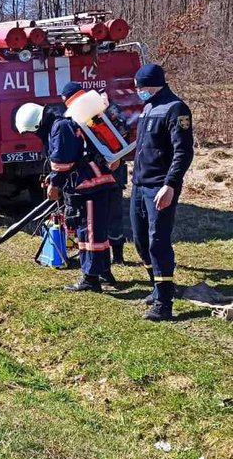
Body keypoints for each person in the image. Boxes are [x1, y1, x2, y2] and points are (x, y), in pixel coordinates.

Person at [16, 102, 118, 293]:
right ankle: (104, 272)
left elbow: (62, 160)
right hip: (96, 181)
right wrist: (53, 177)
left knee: (88, 233)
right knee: (97, 233)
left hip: (88, 186)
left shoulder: (59, 127)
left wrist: (54, 185)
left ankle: (90, 279)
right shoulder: (62, 123)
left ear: (37, 125)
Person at [131, 64, 194, 321]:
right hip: (139, 185)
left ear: (153, 85)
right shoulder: (148, 108)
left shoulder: (175, 109)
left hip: (160, 186)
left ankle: (164, 303)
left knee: (158, 242)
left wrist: (170, 185)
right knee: (140, 240)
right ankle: (156, 285)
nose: (138, 92)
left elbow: (183, 151)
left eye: (141, 87)